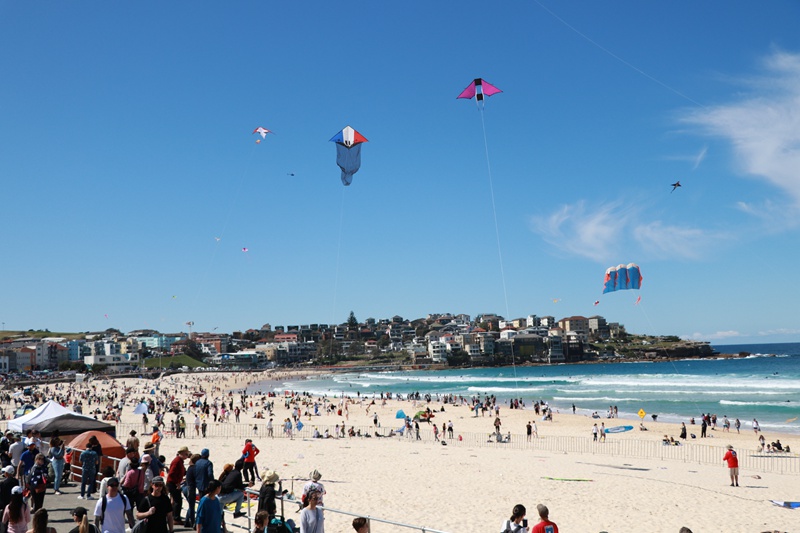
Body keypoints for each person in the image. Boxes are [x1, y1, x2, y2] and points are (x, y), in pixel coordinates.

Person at [167, 446, 190, 524]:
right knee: (178, 501)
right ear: (182, 453)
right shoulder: (177, 461)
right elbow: (172, 473)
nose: (187, 456)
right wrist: (177, 483)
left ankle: (173, 517)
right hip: (172, 483)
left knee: (175, 500)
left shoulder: (180, 461)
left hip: (174, 483)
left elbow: (181, 472)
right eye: (186, 454)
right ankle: (176, 519)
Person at [183, 454, 199, 529]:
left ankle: (186, 522)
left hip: (186, 487)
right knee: (192, 507)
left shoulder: (190, 467)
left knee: (190, 505)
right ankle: (193, 523)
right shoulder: (194, 468)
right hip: (190, 489)